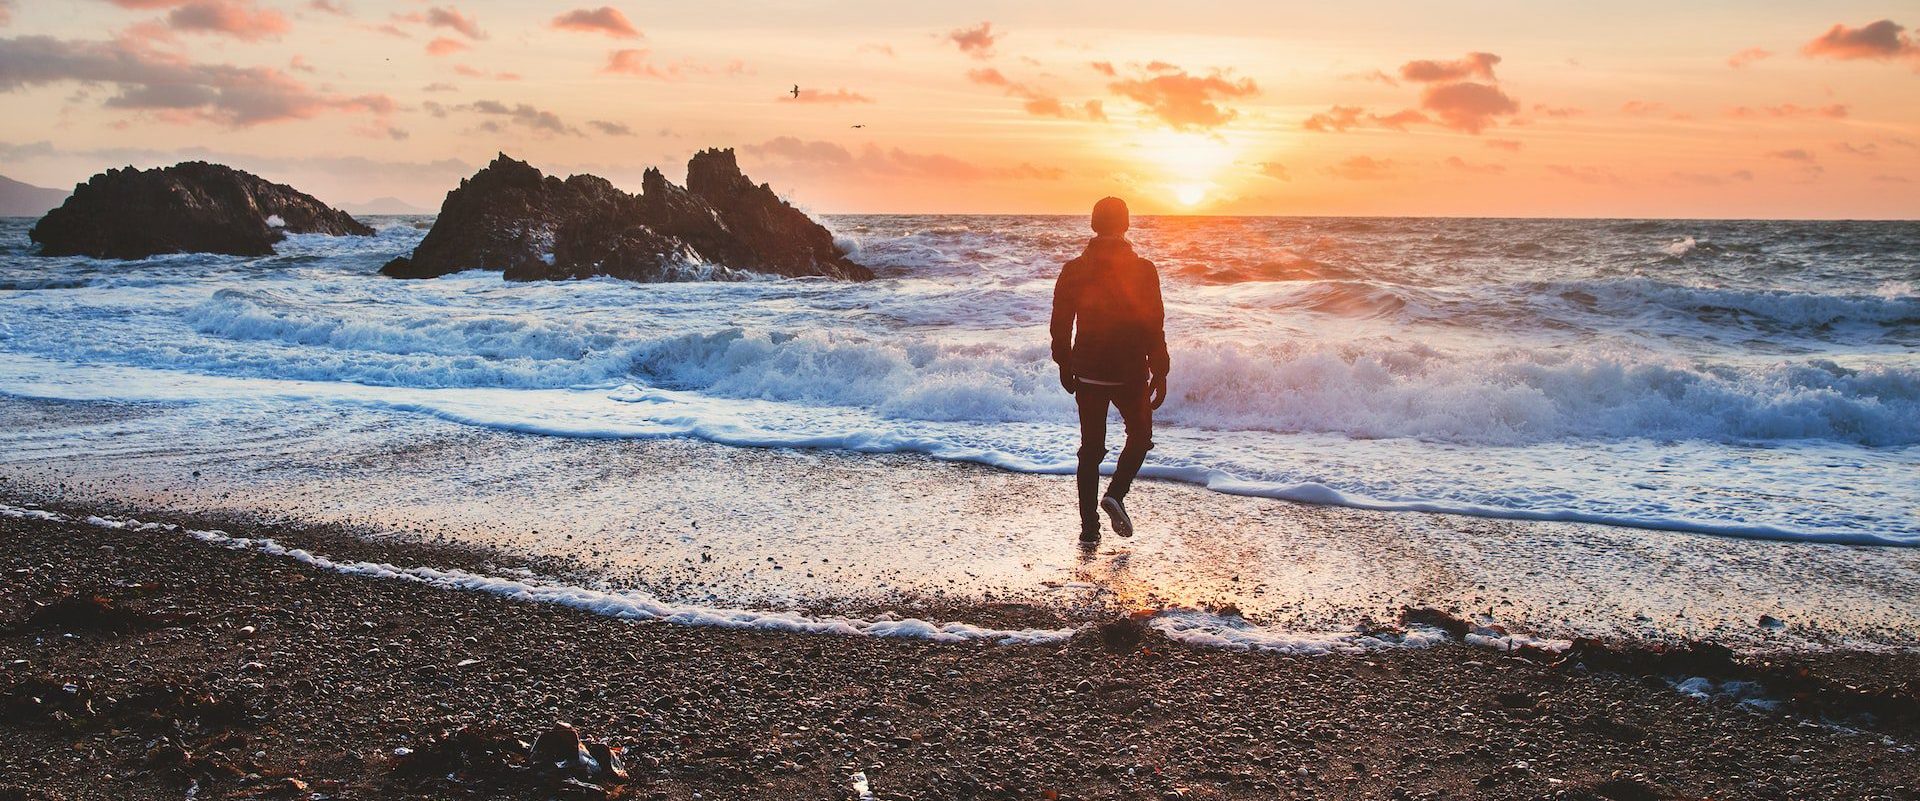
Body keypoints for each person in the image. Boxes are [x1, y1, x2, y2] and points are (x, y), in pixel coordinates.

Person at [1050, 196, 1169, 544]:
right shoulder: (1143, 269)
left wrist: (1064, 362)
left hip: (1087, 369)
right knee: (1141, 436)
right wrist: (1159, 370)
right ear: (1126, 224)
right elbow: (1153, 323)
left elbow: (1060, 322)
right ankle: (1115, 494)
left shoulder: (1074, 269)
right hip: (1129, 369)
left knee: (1090, 450)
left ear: (1093, 223)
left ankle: (1089, 529)